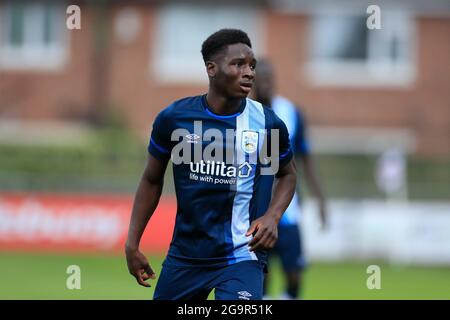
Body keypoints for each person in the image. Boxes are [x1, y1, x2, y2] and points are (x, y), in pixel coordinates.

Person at [125, 29, 297, 300]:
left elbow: (287, 174)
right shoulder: (175, 119)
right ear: (211, 69)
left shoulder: (267, 123)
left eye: (252, 65)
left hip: (243, 255)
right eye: (238, 64)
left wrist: (272, 216)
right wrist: (132, 243)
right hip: (186, 256)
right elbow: (151, 179)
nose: (249, 72)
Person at [253, 59, 328, 300]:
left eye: (268, 78)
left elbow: (305, 159)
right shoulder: (241, 113)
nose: (265, 83)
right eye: (260, 79)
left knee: (294, 273)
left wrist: (321, 201)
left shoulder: (290, 112)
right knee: (260, 275)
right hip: (253, 210)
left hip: (288, 211)